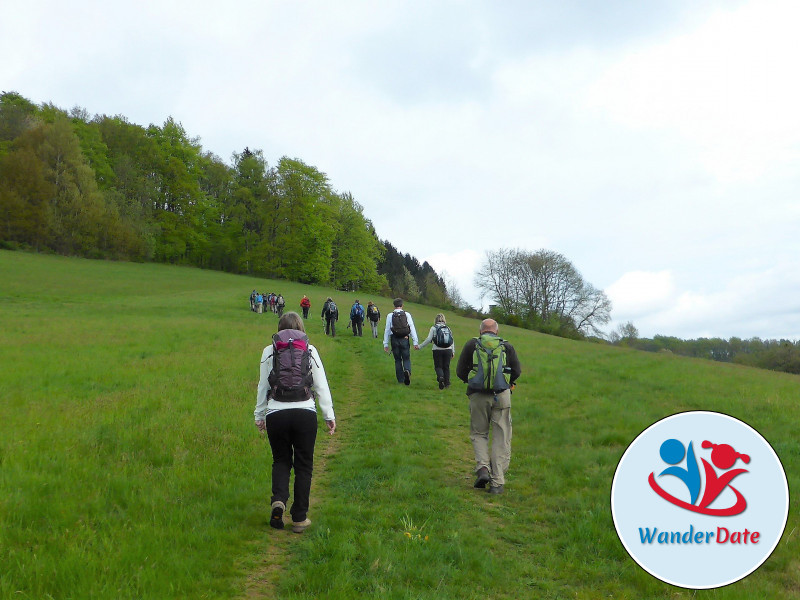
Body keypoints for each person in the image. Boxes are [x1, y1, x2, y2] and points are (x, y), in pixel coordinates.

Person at [254, 312, 336, 533]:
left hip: (276, 414)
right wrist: (328, 415)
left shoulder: (269, 351)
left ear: (279, 328)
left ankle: (278, 500)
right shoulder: (310, 349)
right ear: (301, 328)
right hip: (304, 413)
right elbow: (321, 385)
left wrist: (259, 416)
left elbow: (263, 386)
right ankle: (299, 518)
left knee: (280, 460)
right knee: (304, 466)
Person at [455, 319, 521, 495]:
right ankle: (497, 482)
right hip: (501, 396)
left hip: (477, 396)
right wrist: (508, 383)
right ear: (496, 332)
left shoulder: (472, 344)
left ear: (481, 331)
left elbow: (460, 371)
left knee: (479, 433)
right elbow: (517, 371)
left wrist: (471, 381)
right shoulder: (506, 346)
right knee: (501, 437)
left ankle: (483, 469)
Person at [383, 298, 419, 385]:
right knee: (406, 358)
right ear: (402, 305)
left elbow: (387, 330)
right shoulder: (407, 314)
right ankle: (407, 370)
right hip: (404, 338)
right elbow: (412, 328)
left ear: (394, 305)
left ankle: (400, 380)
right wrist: (415, 342)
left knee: (397, 360)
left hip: (394, 339)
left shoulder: (390, 315)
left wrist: (386, 343)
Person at [418, 313, 455, 389]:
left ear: (435, 320)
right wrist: (453, 351)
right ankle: (447, 384)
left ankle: (441, 377)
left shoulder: (434, 328)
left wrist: (420, 346)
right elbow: (452, 340)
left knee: (438, 366)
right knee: (446, 367)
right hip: (448, 349)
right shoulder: (447, 328)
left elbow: (428, 339)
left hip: (437, 349)